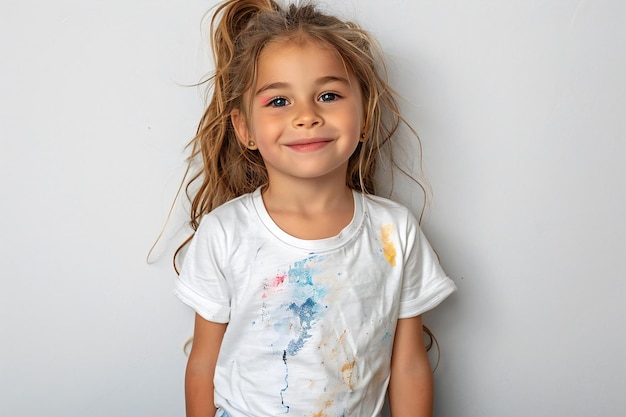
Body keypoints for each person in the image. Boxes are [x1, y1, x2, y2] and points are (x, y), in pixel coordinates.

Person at [173, 0, 456, 416]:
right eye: (278, 102)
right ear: (245, 129)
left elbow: (409, 364)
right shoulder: (225, 232)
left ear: (364, 114)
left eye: (328, 95)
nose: (306, 116)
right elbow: (202, 363)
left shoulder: (394, 231)